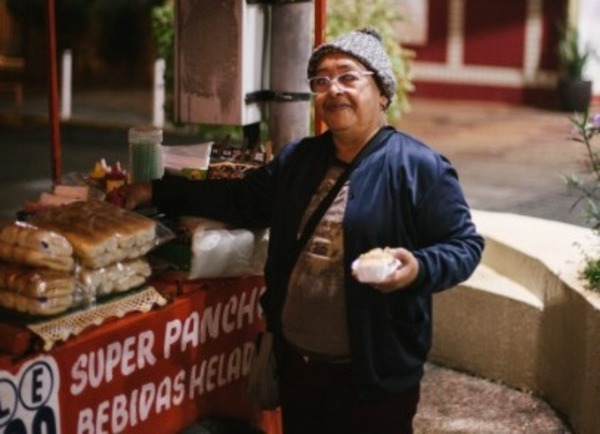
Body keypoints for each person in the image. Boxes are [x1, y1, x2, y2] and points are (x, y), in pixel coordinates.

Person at [120, 28, 484, 434]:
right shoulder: (301, 159)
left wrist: (417, 266)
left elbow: (464, 246)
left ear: (381, 92)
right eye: (322, 80)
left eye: (348, 76)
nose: (333, 89)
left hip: (372, 378)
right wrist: (156, 190)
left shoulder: (419, 167)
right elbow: (240, 201)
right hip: (299, 370)